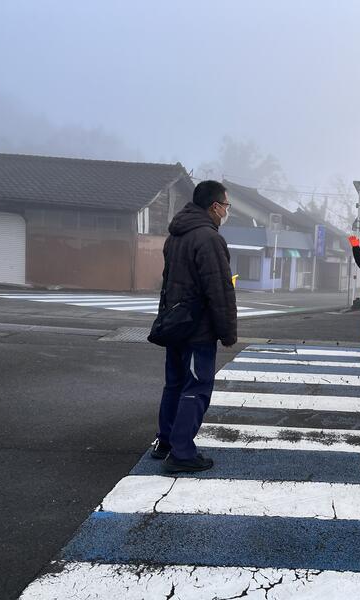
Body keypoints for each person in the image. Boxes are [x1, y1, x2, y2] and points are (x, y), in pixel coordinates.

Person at [151, 180, 237, 473]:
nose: (226, 211)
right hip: (197, 330)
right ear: (214, 206)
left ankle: (165, 442)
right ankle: (182, 453)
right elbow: (220, 290)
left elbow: (168, 282)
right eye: (225, 206)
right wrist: (227, 331)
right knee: (196, 387)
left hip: (175, 323)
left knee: (174, 384)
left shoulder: (176, 235)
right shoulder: (209, 239)